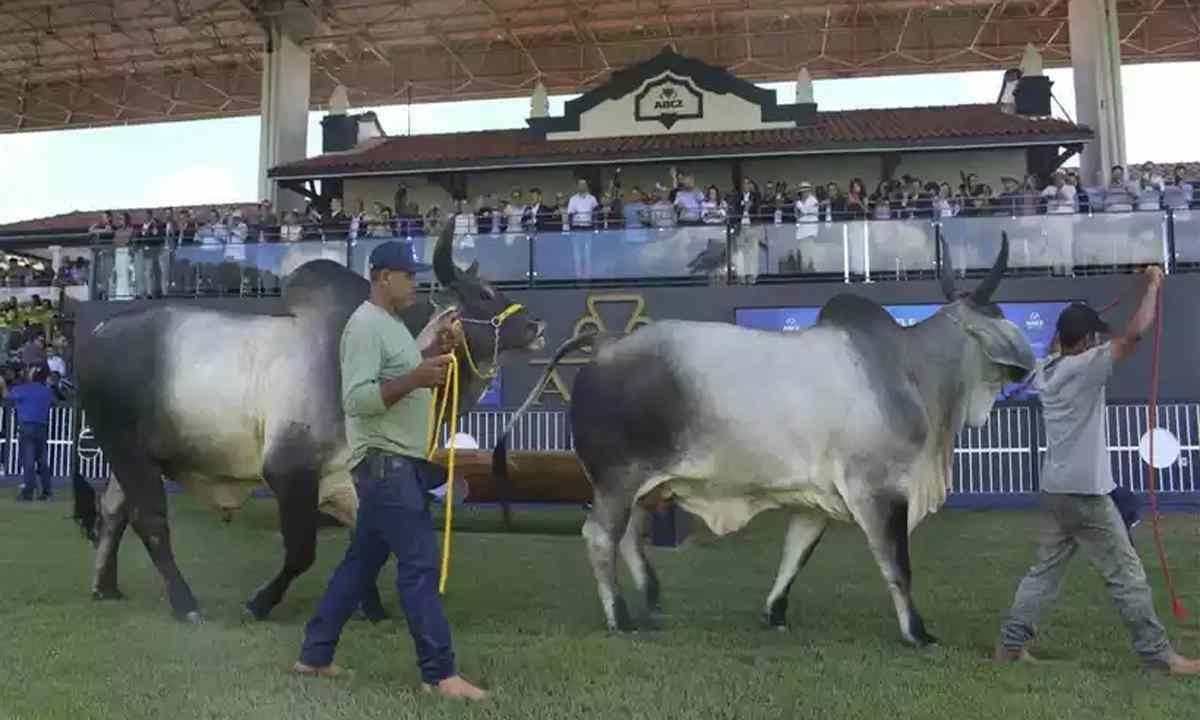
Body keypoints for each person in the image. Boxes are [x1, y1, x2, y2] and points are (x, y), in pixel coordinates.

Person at [292, 240, 487, 701]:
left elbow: (404, 376)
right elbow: (357, 399)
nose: (416, 283)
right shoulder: (364, 327)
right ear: (383, 278)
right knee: (418, 567)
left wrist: (432, 354)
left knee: (358, 567)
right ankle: (440, 675)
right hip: (388, 467)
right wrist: (415, 378)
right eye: (409, 275)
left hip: (393, 467)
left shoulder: (392, 326)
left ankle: (314, 656)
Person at [994, 266, 1200, 675]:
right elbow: (1135, 333)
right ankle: (1159, 657)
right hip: (1085, 495)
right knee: (1126, 575)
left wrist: (1075, 321)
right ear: (1087, 341)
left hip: (1056, 490)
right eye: (1095, 336)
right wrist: (1154, 286)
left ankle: (1009, 647)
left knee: (1044, 574)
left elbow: (1067, 341)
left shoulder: (1048, 367)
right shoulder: (1084, 367)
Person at [11, 365, 56, 501]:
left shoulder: (22, 389)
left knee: (28, 460)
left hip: (27, 426)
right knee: (42, 460)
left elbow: (9, 396)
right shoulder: (47, 392)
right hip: (41, 427)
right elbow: (53, 402)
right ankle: (47, 491)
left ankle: (28, 492)